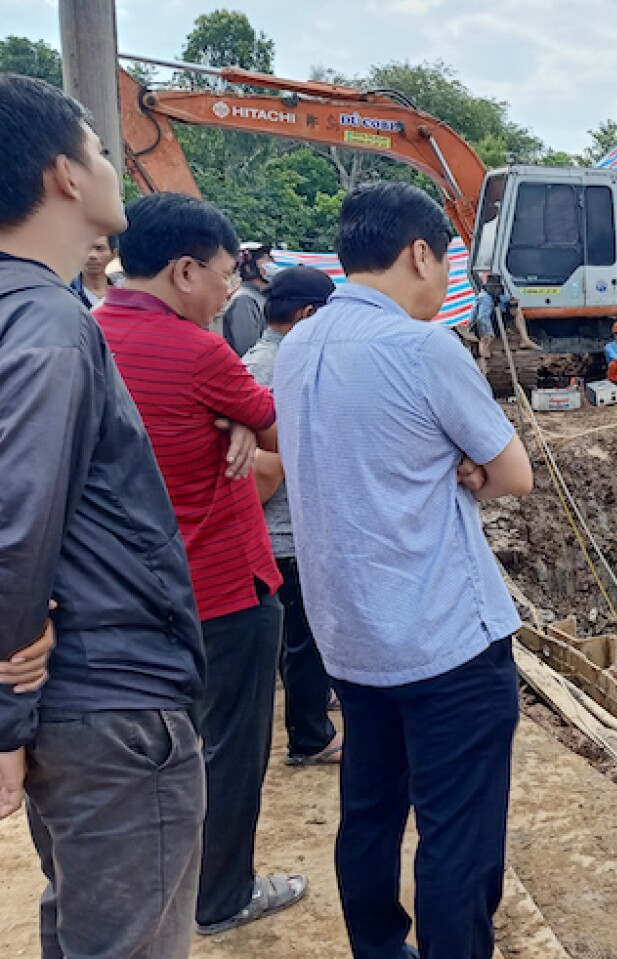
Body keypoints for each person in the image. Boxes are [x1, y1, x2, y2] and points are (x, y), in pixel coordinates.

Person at [274, 180, 534, 959]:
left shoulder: (297, 346)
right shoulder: (423, 348)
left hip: (350, 638)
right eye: (447, 261)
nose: (449, 280)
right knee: (457, 835)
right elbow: (514, 471)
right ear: (420, 253)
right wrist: (467, 467)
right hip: (446, 640)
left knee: (371, 813)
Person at [0, 73, 206, 959]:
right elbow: (17, 519)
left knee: (81, 924)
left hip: (71, 703)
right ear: (64, 176)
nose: (116, 165)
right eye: (99, 149)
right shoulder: (48, 328)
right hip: (109, 703)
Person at [95, 192, 305, 935]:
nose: (230, 290)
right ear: (184, 271)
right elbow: (290, 435)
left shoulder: (89, 336)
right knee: (232, 747)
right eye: (223, 274)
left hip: (130, 595)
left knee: (163, 752)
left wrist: (241, 431)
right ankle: (223, 894)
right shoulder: (198, 351)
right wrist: (247, 433)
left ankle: (166, 887)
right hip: (223, 586)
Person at [241, 265, 343, 768]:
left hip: (257, 530)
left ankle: (313, 704)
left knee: (286, 634)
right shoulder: (294, 368)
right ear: (307, 315)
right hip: (292, 527)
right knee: (307, 635)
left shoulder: (247, 362)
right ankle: (311, 736)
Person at [220, 240, 276, 357]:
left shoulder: (261, 297)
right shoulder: (244, 300)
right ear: (249, 268)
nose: (272, 263)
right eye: (266, 259)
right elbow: (247, 351)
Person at [68, 233, 114, 308]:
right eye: (86, 248)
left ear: (114, 254)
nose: (92, 255)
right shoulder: (67, 293)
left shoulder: (122, 294)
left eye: (99, 248)